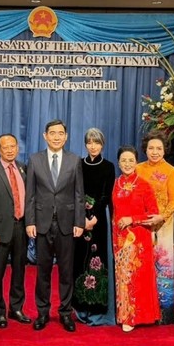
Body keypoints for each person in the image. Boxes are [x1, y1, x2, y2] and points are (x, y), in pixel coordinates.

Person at [26, 119, 85, 332]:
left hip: (67, 224)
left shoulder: (74, 160)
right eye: (52, 133)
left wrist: (79, 221)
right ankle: (42, 312)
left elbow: (79, 194)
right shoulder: (34, 160)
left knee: (66, 272)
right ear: (45, 136)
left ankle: (65, 313)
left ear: (66, 136)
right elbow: (30, 195)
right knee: (42, 272)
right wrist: (30, 221)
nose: (57, 137)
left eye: (61, 133)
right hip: (41, 224)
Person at [0, 134, 32, 328]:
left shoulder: (23, 168)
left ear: (17, 148)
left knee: (19, 271)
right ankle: (0, 312)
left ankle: (16, 308)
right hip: (0, 231)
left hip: (20, 228)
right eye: (5, 147)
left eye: (13, 146)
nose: (10, 150)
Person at [111, 145, 161, 332]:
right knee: (123, 279)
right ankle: (124, 315)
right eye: (123, 160)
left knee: (138, 278)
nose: (127, 164)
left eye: (131, 160)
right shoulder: (115, 184)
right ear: (118, 162)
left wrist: (132, 219)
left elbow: (153, 215)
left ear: (136, 162)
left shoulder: (144, 185)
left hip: (139, 238)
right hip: (120, 239)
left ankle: (136, 317)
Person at [135, 131, 174, 324]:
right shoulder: (136, 169)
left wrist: (161, 216)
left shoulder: (171, 171)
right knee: (139, 268)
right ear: (145, 149)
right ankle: (141, 311)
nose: (154, 152)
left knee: (163, 269)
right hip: (140, 225)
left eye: (159, 148)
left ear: (165, 150)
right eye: (151, 148)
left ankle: (165, 313)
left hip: (163, 226)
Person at [72, 128, 115, 325]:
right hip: (79, 220)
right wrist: (82, 218)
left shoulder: (108, 166)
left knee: (98, 260)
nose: (93, 146)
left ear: (102, 144)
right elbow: (75, 193)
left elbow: (106, 195)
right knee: (80, 259)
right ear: (85, 144)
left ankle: (97, 307)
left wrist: (94, 217)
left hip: (99, 221)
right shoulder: (78, 165)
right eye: (89, 142)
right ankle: (81, 306)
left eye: (96, 142)